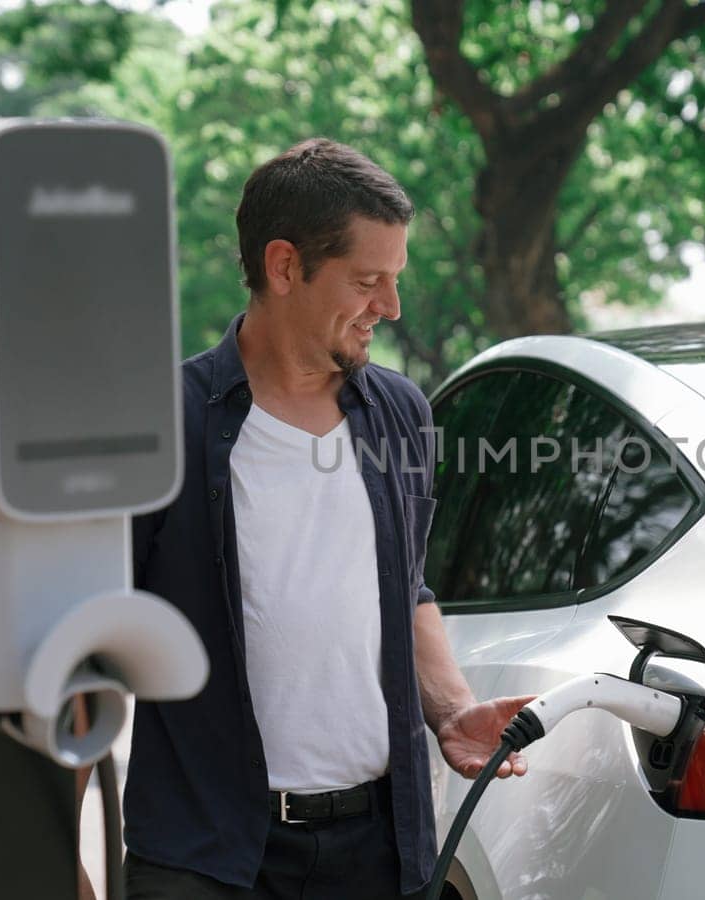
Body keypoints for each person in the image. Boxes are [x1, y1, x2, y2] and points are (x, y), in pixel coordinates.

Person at [80, 138, 533, 900]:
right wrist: (69, 857)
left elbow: (406, 587)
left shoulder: (401, 413)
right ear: (284, 267)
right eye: (367, 281)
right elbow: (89, 642)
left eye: (394, 281)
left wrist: (451, 709)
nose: (388, 307)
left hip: (378, 850)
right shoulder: (161, 425)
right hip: (206, 856)